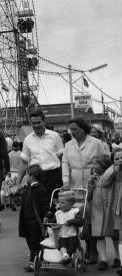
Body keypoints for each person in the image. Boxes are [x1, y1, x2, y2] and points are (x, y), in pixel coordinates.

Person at [62, 117, 105, 264]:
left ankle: (93, 250)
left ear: (83, 128)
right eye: (71, 130)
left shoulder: (96, 143)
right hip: (75, 185)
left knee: (92, 219)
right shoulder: (68, 145)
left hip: (92, 183)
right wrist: (66, 181)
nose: (73, 132)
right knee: (80, 218)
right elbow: (65, 163)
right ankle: (84, 248)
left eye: (76, 129)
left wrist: (96, 177)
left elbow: (103, 161)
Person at [17, 110, 63, 199]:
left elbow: (62, 159)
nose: (36, 125)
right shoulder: (27, 139)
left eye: (38, 122)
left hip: (53, 177)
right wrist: (18, 183)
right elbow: (24, 162)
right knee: (36, 206)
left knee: (54, 206)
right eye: (33, 123)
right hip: (35, 178)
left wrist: (65, 180)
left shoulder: (55, 136)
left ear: (44, 121)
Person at [87, 154, 118, 271]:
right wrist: (90, 186)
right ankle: (103, 259)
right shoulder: (92, 178)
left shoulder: (112, 176)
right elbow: (88, 198)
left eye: (95, 164)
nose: (93, 166)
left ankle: (117, 257)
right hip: (97, 210)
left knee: (114, 234)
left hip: (110, 208)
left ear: (103, 165)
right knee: (99, 235)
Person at [19, 164, 48, 272]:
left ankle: (33, 261)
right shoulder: (28, 188)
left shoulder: (39, 189)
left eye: (27, 175)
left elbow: (44, 205)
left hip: (35, 221)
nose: (26, 177)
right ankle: (38, 258)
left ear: (32, 176)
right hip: (26, 219)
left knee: (34, 241)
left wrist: (46, 215)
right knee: (29, 240)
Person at [101, 149, 122, 276]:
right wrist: (114, 170)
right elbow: (103, 182)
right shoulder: (113, 171)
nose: (120, 161)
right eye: (117, 159)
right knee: (120, 237)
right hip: (117, 207)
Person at [53, 191, 83, 265]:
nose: (59, 204)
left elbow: (80, 222)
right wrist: (52, 223)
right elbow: (53, 222)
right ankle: (65, 255)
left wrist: (70, 222)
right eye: (59, 202)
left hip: (72, 235)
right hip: (61, 235)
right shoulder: (58, 213)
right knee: (61, 245)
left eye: (62, 203)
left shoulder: (75, 211)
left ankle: (68, 255)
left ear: (71, 204)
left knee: (72, 245)